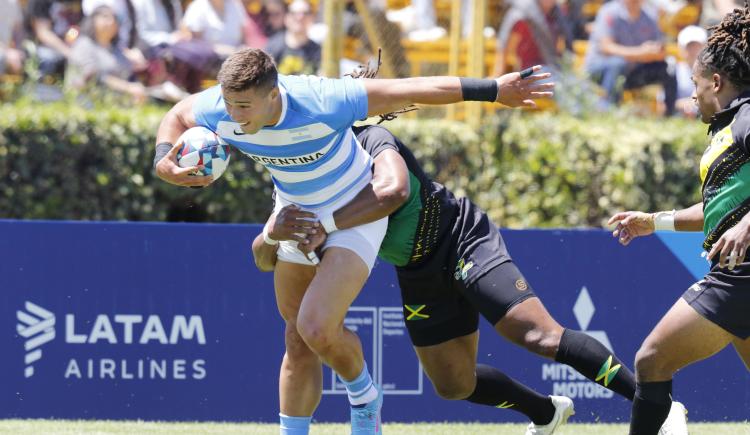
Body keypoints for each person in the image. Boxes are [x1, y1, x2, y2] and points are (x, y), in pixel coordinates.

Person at [152, 48, 553, 435]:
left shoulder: (323, 100)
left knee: (316, 326)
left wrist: (493, 89)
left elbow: (412, 89)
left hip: (354, 211)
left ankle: (364, 396)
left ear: (274, 94)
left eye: (243, 107)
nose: (233, 117)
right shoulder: (219, 107)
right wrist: (164, 159)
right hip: (296, 210)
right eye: (228, 104)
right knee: (297, 336)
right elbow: (176, 114)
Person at [253, 121, 691, 435]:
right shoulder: (310, 179)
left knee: (538, 335)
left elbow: (396, 189)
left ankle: (659, 406)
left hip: (461, 238)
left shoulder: (371, 138)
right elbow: (266, 253)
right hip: (418, 272)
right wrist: (275, 235)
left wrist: (325, 226)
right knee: (453, 384)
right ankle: (545, 413)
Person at [608, 4, 750, 434]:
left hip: (739, 276)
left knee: (651, 360)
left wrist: (747, 226)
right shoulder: (728, 125)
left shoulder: (746, 117)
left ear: (717, 82)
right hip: (737, 272)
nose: (692, 94)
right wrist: (654, 221)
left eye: (695, 84)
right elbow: (717, 211)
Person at [584, 0, 678, 115]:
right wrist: (639, 53)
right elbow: (606, 48)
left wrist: (655, 51)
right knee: (618, 63)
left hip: (631, 70)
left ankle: (670, 114)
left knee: (669, 67)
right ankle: (608, 110)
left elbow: (659, 48)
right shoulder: (609, 11)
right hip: (600, 69)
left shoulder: (649, 16)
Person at [65, 5, 147, 104]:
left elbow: (128, 75)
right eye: (105, 17)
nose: (111, 21)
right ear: (93, 20)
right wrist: (127, 87)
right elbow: (92, 77)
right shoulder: (83, 44)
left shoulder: (117, 50)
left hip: (117, 103)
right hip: (86, 101)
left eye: (114, 19)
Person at [494, 0, 573, 77]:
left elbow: (566, 46)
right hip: (529, 71)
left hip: (552, 69)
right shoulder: (521, 12)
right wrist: (498, 74)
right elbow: (504, 44)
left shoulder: (557, 13)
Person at [264, 0, 320, 75]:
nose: (300, 17)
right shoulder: (273, 47)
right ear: (286, 17)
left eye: (305, 13)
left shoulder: (318, 51)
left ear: (312, 17)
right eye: (294, 13)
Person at [674, 25, 707, 117]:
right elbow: (665, 103)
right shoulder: (673, 71)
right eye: (689, 47)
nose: (694, 51)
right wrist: (685, 104)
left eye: (697, 46)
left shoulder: (713, 73)